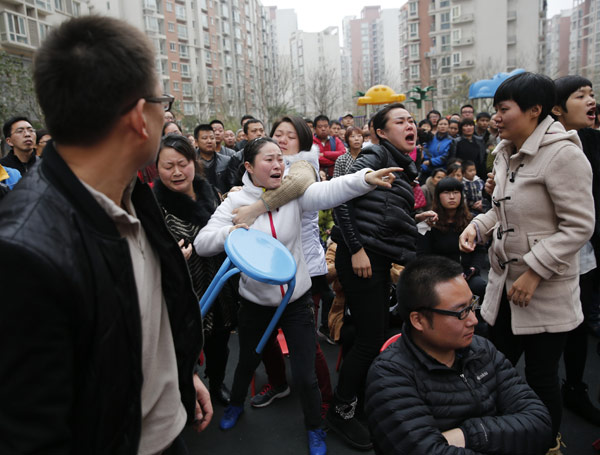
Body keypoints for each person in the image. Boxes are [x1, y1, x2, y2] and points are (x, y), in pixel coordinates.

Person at [0, 16, 210, 454]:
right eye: (161, 101)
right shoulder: (24, 253)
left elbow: (137, 321)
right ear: (140, 118)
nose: (163, 114)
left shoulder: (134, 191)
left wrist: (176, 372)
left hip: (163, 426)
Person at [194, 136, 400, 455]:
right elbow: (202, 243)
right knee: (246, 362)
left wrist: (364, 179)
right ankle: (235, 406)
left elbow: (329, 190)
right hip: (254, 303)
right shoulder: (235, 203)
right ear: (248, 166)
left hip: (296, 301)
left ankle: (315, 427)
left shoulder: (292, 195)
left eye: (281, 158)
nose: (278, 164)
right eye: (269, 159)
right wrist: (231, 233)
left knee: (306, 375)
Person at [459, 72, 594, 453]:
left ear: (534, 111)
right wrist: (478, 225)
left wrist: (534, 272)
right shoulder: (505, 151)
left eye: (504, 109)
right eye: (495, 110)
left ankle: (548, 444)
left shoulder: (564, 154)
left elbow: (579, 226)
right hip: (504, 287)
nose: (495, 118)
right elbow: (507, 213)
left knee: (540, 377)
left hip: (546, 291)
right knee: (493, 367)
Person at [365, 256, 552, 455]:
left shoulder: (481, 349)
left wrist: (468, 434)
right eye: (461, 312)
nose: (473, 319)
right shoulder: (390, 378)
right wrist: (506, 434)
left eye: (472, 305)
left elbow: (539, 422)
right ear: (418, 320)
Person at [328, 103, 432, 450]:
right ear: (381, 132)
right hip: (360, 258)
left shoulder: (403, 165)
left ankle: (356, 400)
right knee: (370, 339)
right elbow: (340, 200)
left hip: (377, 257)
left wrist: (417, 218)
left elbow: (381, 217)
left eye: (411, 120)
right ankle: (341, 410)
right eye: (400, 121)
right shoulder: (373, 156)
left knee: (374, 335)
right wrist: (356, 248)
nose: (410, 125)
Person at [153, 134, 237, 407]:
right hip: (185, 290)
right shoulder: (155, 208)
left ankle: (216, 382)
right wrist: (171, 257)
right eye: (168, 166)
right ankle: (189, 384)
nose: (176, 172)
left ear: (194, 162)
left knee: (220, 341)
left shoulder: (210, 192)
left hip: (219, 281)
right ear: (157, 168)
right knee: (186, 342)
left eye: (182, 163)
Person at [552, 75, 600, 425]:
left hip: (589, 251)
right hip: (557, 251)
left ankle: (575, 387)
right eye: (580, 95)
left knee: (580, 324)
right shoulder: (547, 147)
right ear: (556, 108)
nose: (590, 100)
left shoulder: (594, 141)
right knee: (555, 328)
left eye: (591, 93)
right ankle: (545, 393)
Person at [418, 177, 487, 300]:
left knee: (480, 286)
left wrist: (473, 269)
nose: (452, 197)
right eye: (446, 192)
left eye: (456, 192)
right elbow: (423, 255)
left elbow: (480, 250)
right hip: (438, 274)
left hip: (467, 273)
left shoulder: (471, 222)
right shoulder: (429, 222)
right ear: (438, 196)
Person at [195, 123, 230, 194]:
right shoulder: (191, 162)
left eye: (212, 138)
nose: (209, 141)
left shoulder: (226, 161)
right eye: (204, 138)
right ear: (196, 142)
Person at [421, 117, 452, 181]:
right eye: (440, 124)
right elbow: (425, 150)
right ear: (437, 126)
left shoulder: (451, 141)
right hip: (427, 169)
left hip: (442, 171)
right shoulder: (431, 138)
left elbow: (445, 157)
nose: (443, 126)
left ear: (448, 126)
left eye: (445, 124)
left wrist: (431, 162)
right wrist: (427, 162)